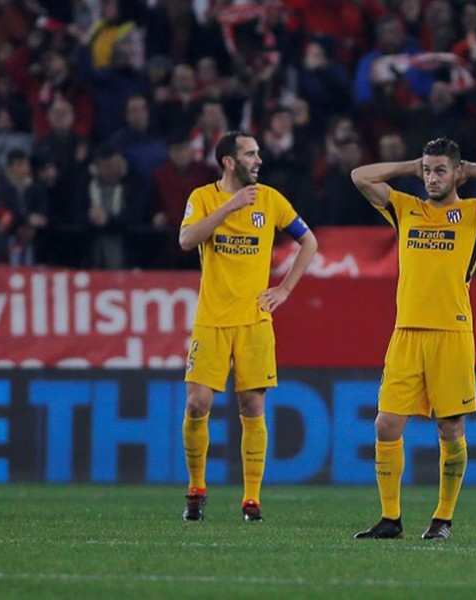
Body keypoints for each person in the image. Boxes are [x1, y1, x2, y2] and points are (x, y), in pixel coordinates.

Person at [350, 137, 476, 540]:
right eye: (427, 170)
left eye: (440, 170)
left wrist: (468, 169)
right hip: (405, 332)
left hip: (452, 332)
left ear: (456, 172)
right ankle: (391, 519)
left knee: (451, 428)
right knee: (386, 425)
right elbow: (359, 176)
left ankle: (442, 518)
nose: (431, 178)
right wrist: (410, 165)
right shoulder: (407, 208)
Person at [178, 131, 318, 522]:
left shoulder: (271, 200)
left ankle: (252, 499)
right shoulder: (203, 198)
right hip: (212, 319)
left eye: (259, 152)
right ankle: (196, 488)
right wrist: (230, 207)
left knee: (252, 405)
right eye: (250, 154)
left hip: (255, 320)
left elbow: (309, 242)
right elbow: (187, 239)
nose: (259, 159)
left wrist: (285, 290)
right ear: (228, 161)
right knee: (197, 403)